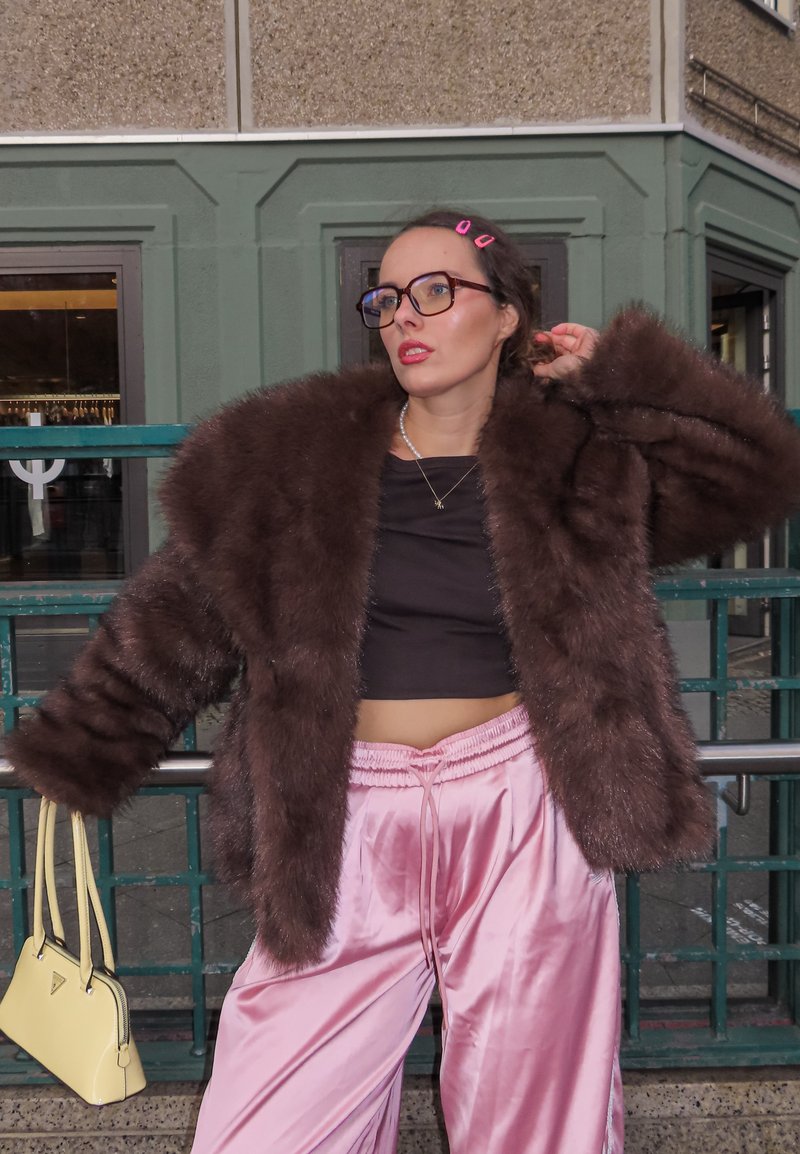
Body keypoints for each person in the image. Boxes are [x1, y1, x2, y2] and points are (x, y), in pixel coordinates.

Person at [6, 209, 800, 1154]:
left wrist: (619, 382)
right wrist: (78, 751)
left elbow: (755, 474)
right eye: (386, 297)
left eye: (438, 291)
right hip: (342, 819)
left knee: (537, 1128)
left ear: (509, 314)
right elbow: (178, 619)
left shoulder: (582, 458)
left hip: (524, 808)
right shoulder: (293, 460)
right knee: (267, 1131)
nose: (403, 317)